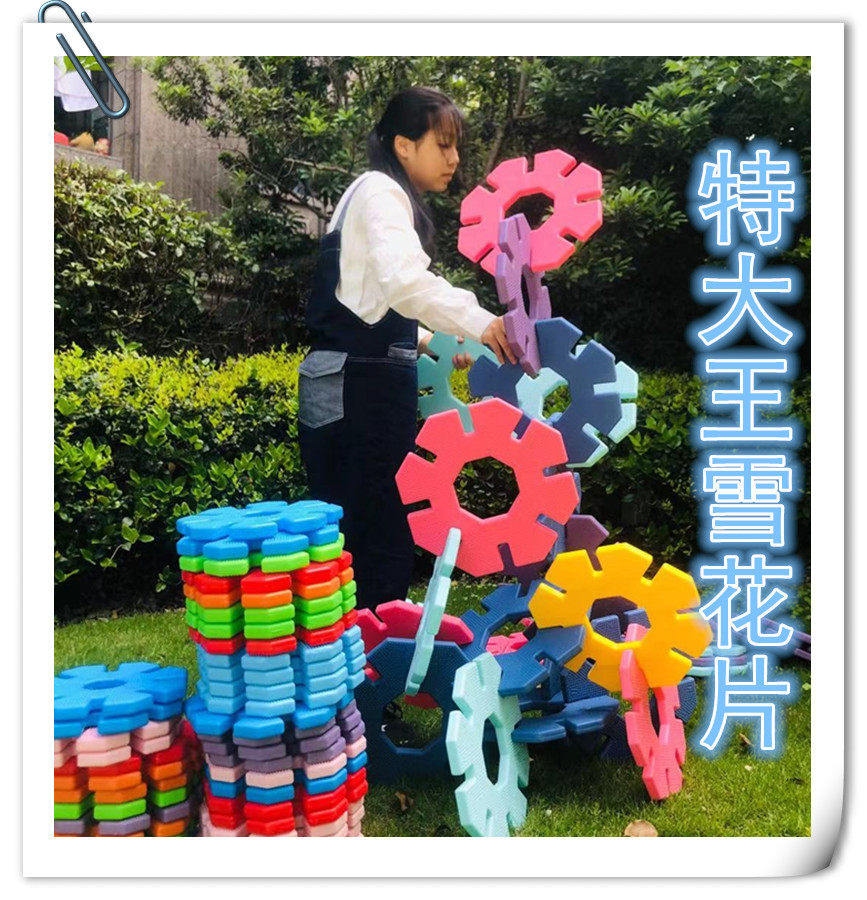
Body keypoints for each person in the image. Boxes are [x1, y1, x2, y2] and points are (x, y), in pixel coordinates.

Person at [298, 86, 515, 611]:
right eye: (443, 144)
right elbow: (404, 283)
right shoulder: (381, 192)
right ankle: (371, 657)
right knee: (374, 534)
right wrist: (483, 323)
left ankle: (348, 652)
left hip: (346, 379)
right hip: (360, 388)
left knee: (351, 528)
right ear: (403, 145)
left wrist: (431, 342)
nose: (454, 158)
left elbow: (366, 299)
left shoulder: (367, 192)